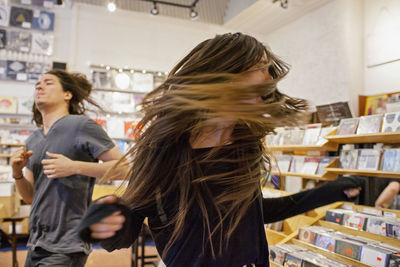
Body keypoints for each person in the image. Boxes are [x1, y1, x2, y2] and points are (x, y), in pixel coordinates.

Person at [78, 33, 363, 267]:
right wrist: (108, 222)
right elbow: (133, 221)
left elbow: (251, 214)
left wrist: (330, 192)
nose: (268, 76)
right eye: (260, 66)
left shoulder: (244, 147)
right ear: (226, 73)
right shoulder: (165, 150)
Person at [10, 69, 128, 267]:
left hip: (67, 245)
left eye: (48, 82)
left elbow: (123, 168)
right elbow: (30, 197)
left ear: (67, 94)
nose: (39, 86)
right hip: (36, 243)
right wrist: (17, 174)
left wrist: (74, 167)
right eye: (37, 84)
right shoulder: (32, 140)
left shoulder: (81, 125)